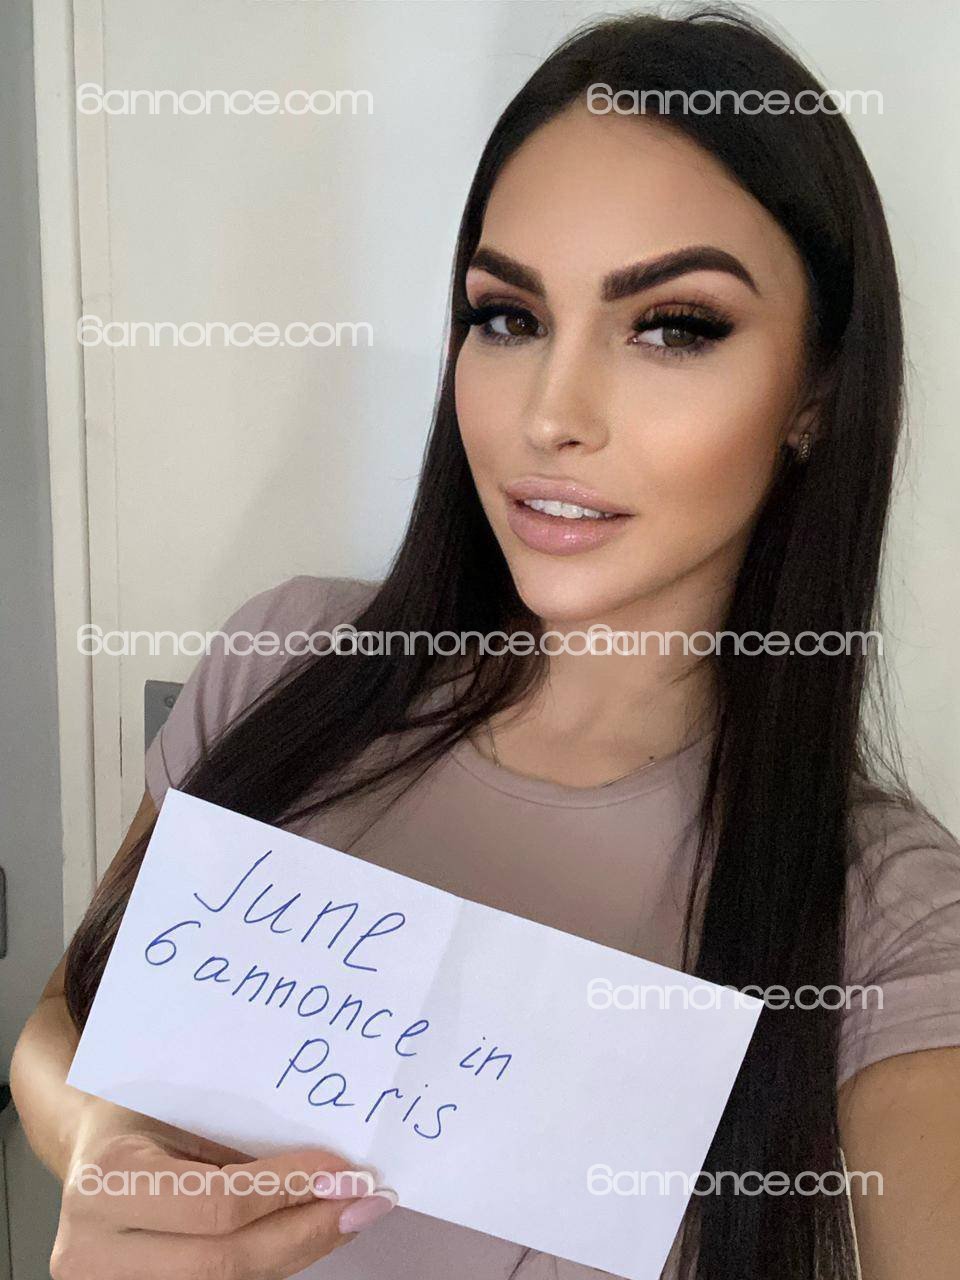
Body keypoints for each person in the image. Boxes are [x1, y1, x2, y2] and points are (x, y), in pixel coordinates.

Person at [12, 8, 960, 1280]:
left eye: (674, 325)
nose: (550, 416)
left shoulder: (889, 913)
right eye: (508, 316)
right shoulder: (287, 661)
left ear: (816, 392)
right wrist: (104, 1146)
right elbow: (66, 1016)